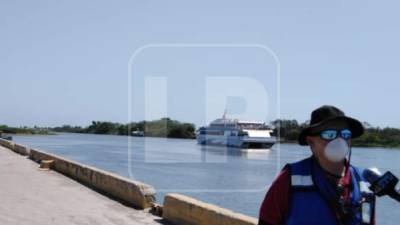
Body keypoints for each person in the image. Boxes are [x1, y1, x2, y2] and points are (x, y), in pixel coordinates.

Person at [258, 105, 376, 225]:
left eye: (345, 134)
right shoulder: (288, 179)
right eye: (330, 134)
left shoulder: (364, 182)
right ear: (311, 142)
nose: (339, 140)